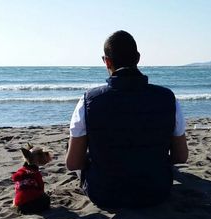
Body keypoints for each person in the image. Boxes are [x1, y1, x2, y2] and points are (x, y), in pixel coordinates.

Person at [66, 30, 188, 208]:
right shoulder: (167, 98)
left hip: (105, 194)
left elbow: (73, 163)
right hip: (156, 191)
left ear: (107, 61)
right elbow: (181, 156)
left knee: (74, 147)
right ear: (137, 58)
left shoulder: (88, 101)